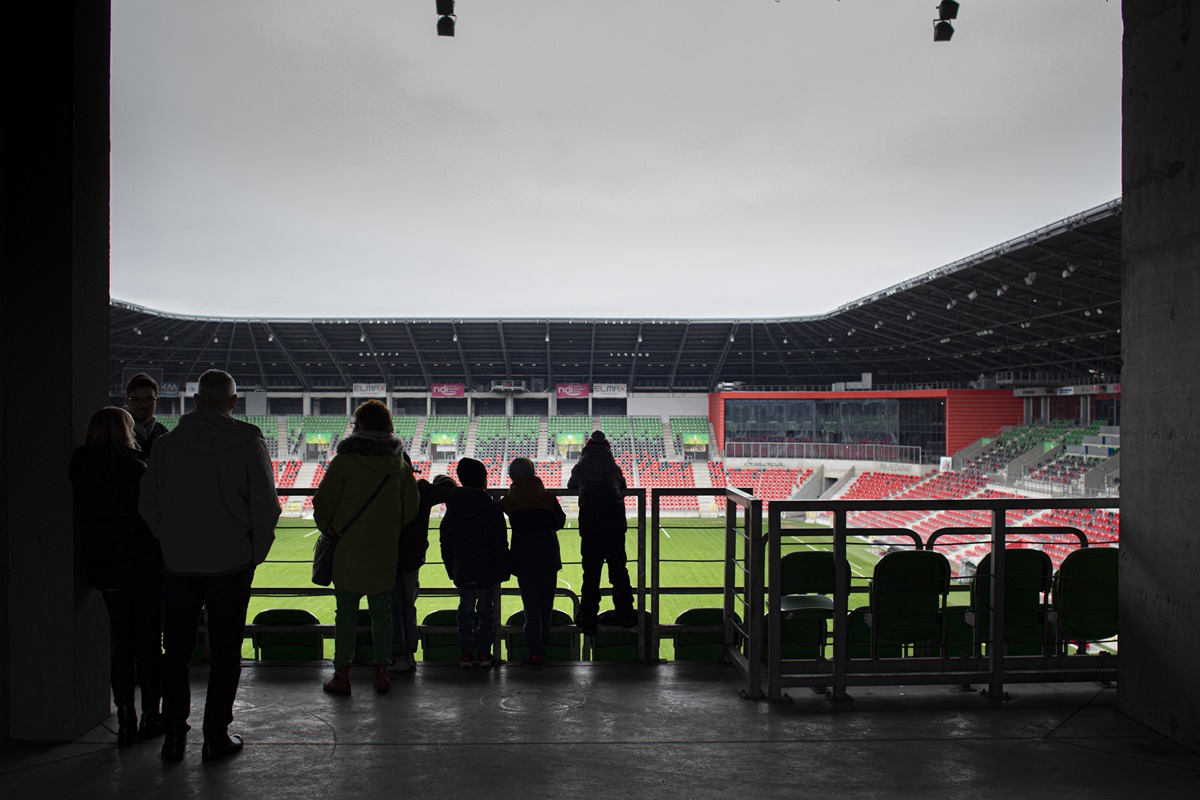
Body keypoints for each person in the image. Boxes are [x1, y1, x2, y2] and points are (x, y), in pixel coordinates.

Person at [139, 369, 280, 763]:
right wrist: (254, 554)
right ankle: (215, 736)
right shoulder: (248, 442)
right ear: (233, 402)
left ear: (196, 401)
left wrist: (170, 541)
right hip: (232, 564)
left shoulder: (165, 446)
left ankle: (173, 736)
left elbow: (148, 504)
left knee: (175, 652)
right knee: (226, 653)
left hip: (179, 565)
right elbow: (266, 508)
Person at [69, 407, 166, 746]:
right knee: (149, 643)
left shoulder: (80, 468)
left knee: (123, 643)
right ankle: (151, 714)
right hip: (143, 566)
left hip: (105, 568)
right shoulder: (135, 468)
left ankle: (125, 716)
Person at [314, 400, 419, 696]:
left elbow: (323, 503)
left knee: (346, 613)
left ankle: (342, 675)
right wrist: (389, 529)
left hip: (347, 548)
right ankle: (381, 674)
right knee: (382, 613)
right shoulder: (399, 465)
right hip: (385, 549)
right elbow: (411, 508)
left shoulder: (344, 461)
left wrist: (331, 528)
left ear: (359, 426)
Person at [440, 457, 509, 668]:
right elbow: (499, 542)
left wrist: (451, 568)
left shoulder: (452, 508)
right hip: (486, 571)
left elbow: (445, 542)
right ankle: (484, 653)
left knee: (465, 613)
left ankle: (466, 654)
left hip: (462, 568)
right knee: (487, 613)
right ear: (483, 479)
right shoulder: (491, 507)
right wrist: (503, 569)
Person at [390, 454, 455, 674]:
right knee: (408, 605)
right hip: (412, 557)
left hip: (387, 556)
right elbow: (449, 486)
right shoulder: (421, 491)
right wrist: (433, 480)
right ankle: (409, 653)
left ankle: (397, 655)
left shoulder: (384, 490)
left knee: (393, 608)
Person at [567, 430, 637, 634]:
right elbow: (623, 485)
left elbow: (571, 485)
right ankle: (625, 613)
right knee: (618, 570)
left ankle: (588, 617)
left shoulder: (581, 466)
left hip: (591, 525)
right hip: (614, 524)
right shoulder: (613, 467)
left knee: (591, 572)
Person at [500, 457, 566, 670]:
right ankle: (543, 646)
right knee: (546, 607)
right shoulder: (547, 497)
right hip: (548, 557)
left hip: (524, 559)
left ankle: (535, 652)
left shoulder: (509, 500)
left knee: (531, 608)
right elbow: (560, 521)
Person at [125, 372, 169, 456]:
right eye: (136, 400)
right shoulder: (116, 433)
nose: (143, 405)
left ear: (156, 401)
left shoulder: (164, 433)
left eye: (149, 399)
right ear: (127, 401)